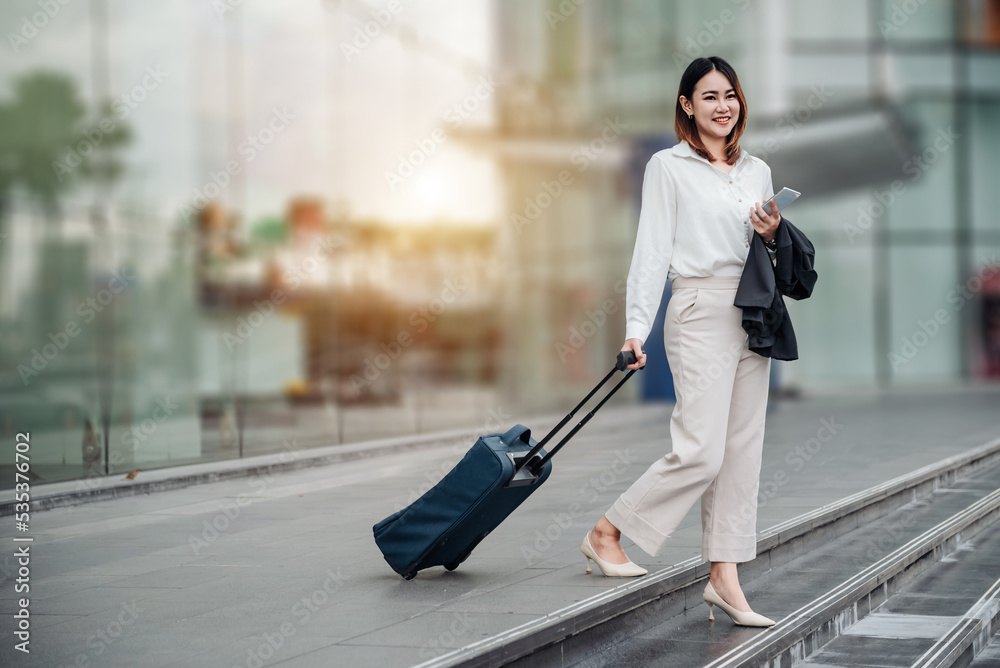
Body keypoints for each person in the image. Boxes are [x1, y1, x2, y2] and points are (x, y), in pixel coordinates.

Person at [579, 56, 781, 628]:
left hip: (752, 311)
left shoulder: (757, 171)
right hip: (695, 309)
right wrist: (635, 328)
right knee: (701, 448)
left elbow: (758, 251)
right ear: (687, 106)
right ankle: (607, 531)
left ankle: (725, 578)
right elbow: (651, 251)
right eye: (710, 96)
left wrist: (770, 232)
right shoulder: (667, 167)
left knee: (742, 454)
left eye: (731, 95)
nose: (724, 106)